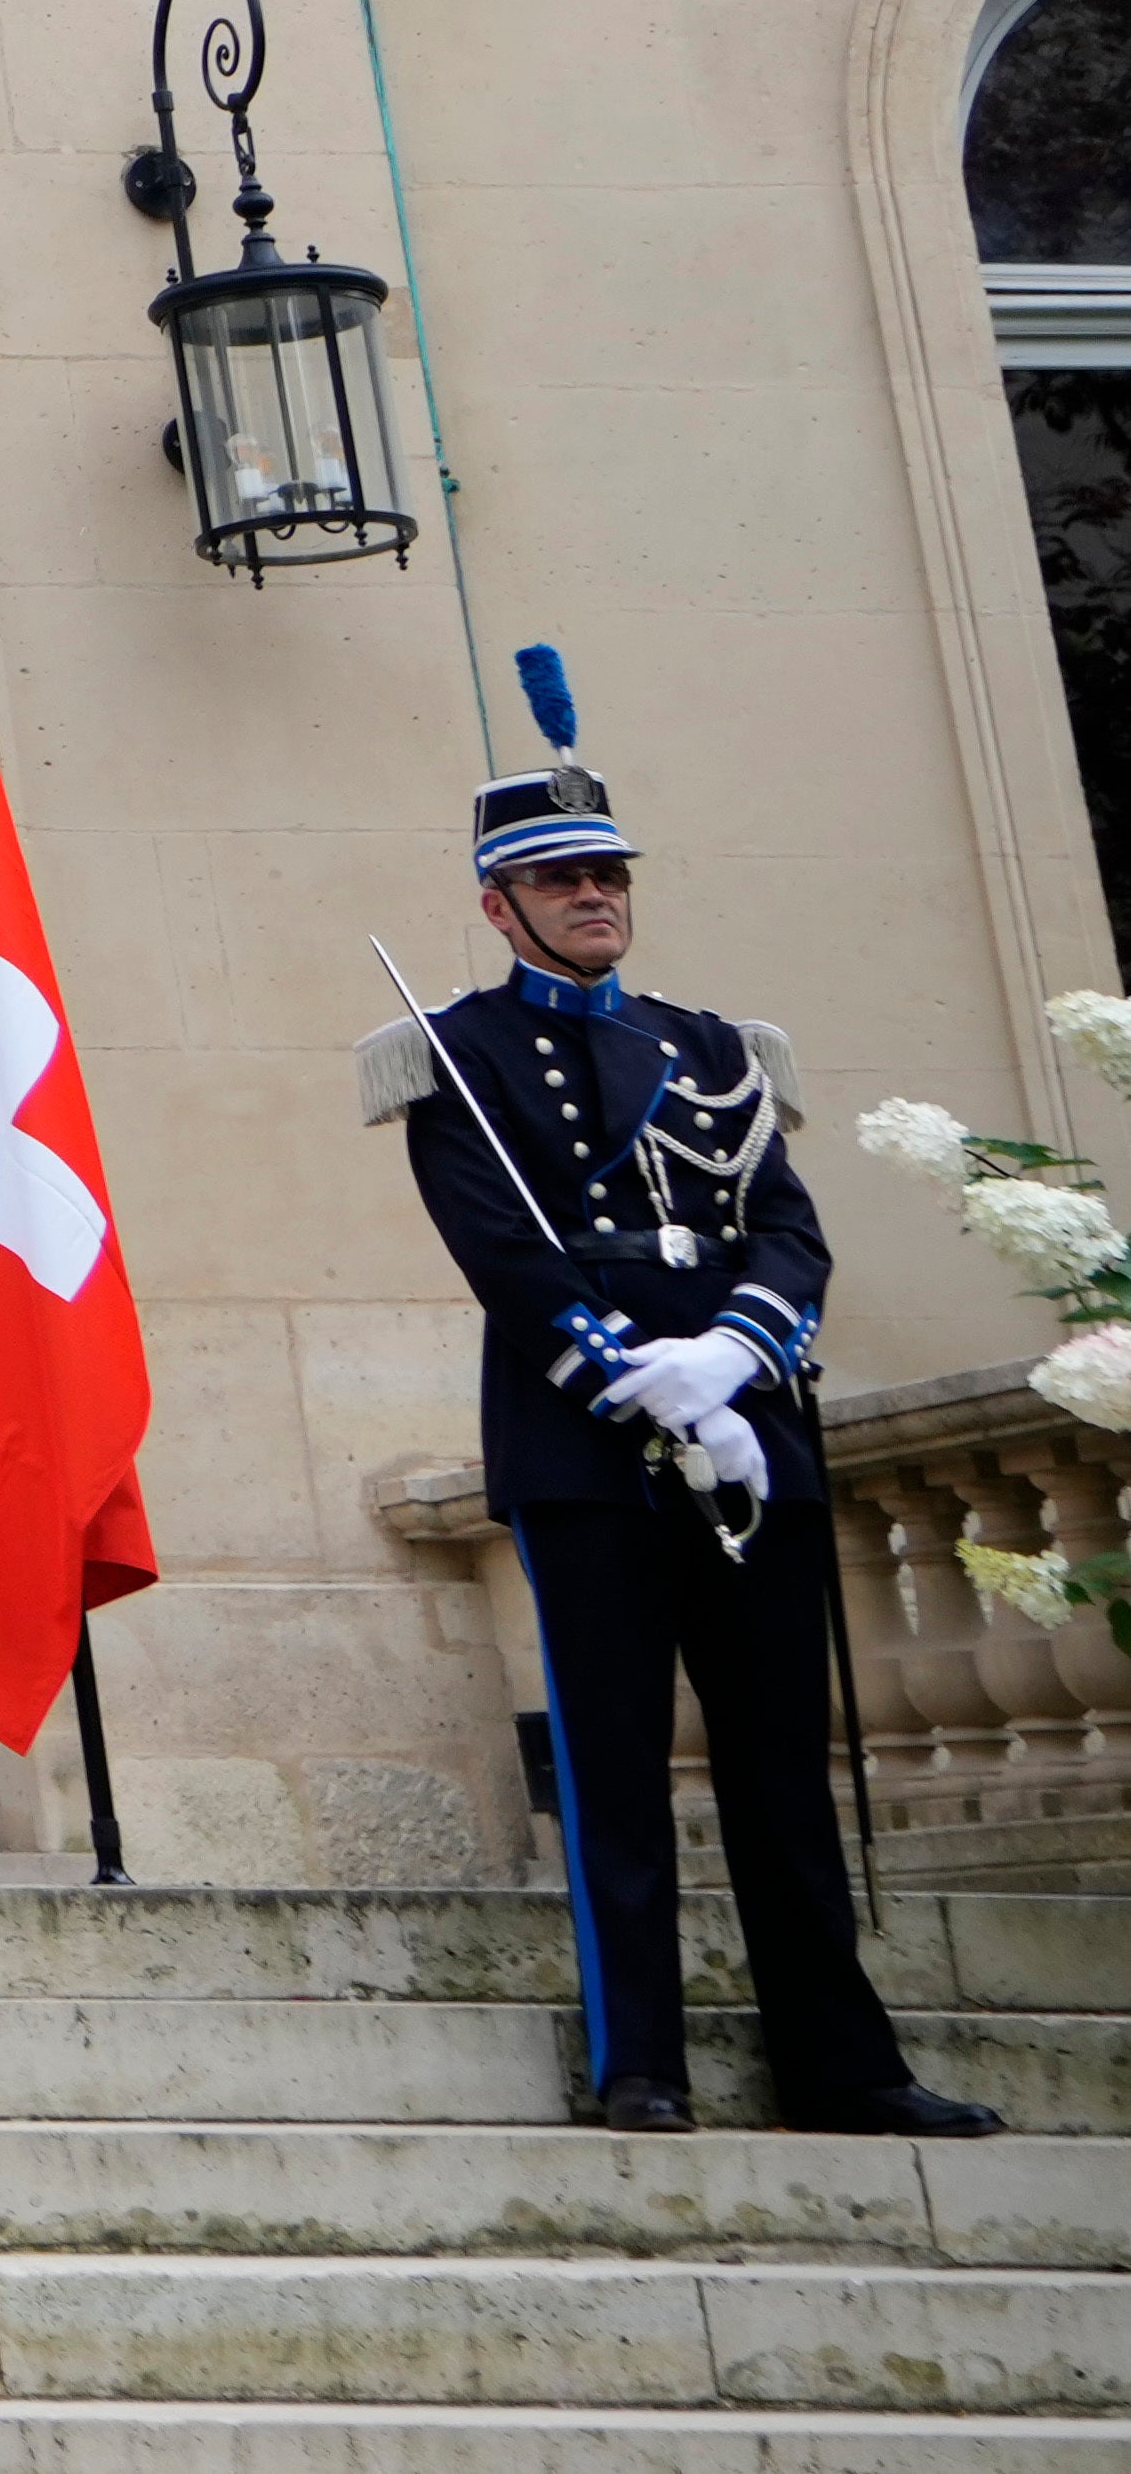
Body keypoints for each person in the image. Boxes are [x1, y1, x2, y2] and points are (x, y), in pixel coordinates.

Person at [396, 754, 991, 2136]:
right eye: (559, 876)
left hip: (747, 1434)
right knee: (612, 1761)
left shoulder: (715, 1045)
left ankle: (843, 2064)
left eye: (607, 873)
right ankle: (640, 2063)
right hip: (583, 1443)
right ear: (499, 905)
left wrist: (734, 1358)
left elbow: (783, 1223)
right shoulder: (452, 1054)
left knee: (781, 1757)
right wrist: (649, 1385)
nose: (593, 894)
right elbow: (503, 1255)